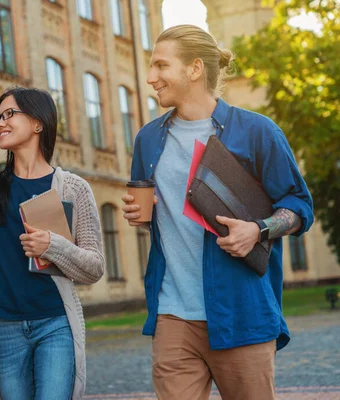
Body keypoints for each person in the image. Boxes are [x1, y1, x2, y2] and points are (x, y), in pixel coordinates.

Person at [121, 25, 314, 400]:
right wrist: (141, 214)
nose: (150, 78)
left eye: (161, 65)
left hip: (240, 311)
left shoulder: (257, 132)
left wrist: (258, 230)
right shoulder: (148, 139)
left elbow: (299, 205)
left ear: (194, 69)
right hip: (173, 314)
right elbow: (157, 215)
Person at [0, 87, 105, 399]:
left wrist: (53, 245)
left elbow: (93, 268)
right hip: (4, 328)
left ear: (39, 123)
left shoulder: (73, 189)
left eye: (9, 114)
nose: (0, 123)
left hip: (55, 325)